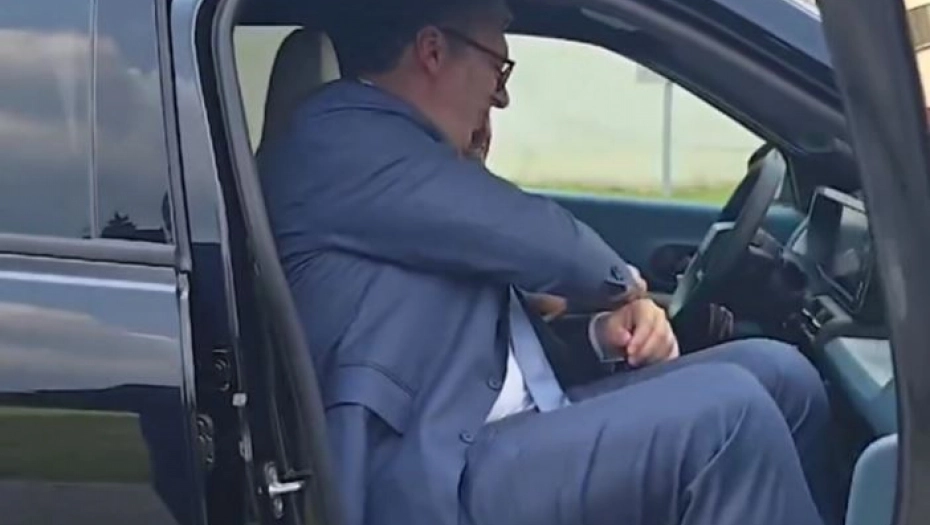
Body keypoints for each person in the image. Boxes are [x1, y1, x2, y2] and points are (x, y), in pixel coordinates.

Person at [256, 1, 839, 524]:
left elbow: (483, 339)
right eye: (498, 67)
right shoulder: (336, 135)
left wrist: (602, 336)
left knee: (779, 375)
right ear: (433, 51)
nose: (502, 96)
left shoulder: (403, 163)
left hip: (502, 430)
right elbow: (533, 236)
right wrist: (626, 286)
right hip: (435, 472)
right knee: (729, 419)